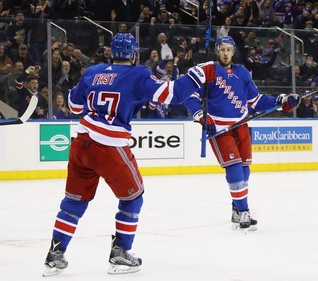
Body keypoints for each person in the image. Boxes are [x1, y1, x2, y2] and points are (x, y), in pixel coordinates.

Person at [42, 32, 216, 277]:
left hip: (81, 143)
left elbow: (74, 105)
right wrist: (200, 73)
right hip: (109, 146)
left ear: (111, 53)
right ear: (134, 54)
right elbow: (172, 95)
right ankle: (121, 251)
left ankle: (55, 253)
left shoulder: (93, 71)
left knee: (74, 201)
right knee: (134, 197)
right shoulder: (138, 74)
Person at [183, 36, 300, 231]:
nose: (226, 53)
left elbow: (256, 100)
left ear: (234, 51)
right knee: (235, 170)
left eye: (229, 49)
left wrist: (282, 99)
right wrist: (202, 117)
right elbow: (190, 96)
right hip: (220, 129)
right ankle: (244, 211)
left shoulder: (243, 72)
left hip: (242, 125)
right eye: (222, 49)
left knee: (245, 170)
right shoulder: (208, 70)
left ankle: (237, 210)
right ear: (217, 50)